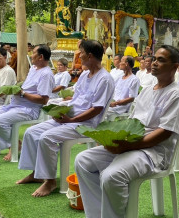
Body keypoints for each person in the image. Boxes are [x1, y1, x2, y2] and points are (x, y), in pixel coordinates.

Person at [74, 45, 179, 218]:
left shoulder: (177, 95)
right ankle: (98, 214)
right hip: (131, 145)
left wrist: (126, 147)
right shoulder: (147, 91)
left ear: (174, 66)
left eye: (161, 60)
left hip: (154, 152)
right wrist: (111, 139)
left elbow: (165, 133)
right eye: (155, 59)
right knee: (83, 160)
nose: (154, 63)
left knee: (112, 176)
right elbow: (132, 122)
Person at [16, 40, 115, 197]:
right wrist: (60, 108)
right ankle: (37, 173)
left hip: (85, 124)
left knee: (46, 138)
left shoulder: (104, 79)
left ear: (89, 56)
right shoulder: (84, 75)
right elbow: (76, 99)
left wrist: (70, 120)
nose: (78, 56)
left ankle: (50, 181)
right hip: (70, 118)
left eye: (80, 53)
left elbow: (96, 109)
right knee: (31, 132)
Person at [0, 45, 55, 161]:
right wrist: (15, 89)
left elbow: (43, 99)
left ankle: (14, 145)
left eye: (33, 52)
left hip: (29, 109)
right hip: (14, 105)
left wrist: (22, 94)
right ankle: (12, 144)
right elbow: (26, 87)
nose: (30, 55)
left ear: (41, 57)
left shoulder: (46, 74)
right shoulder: (33, 68)